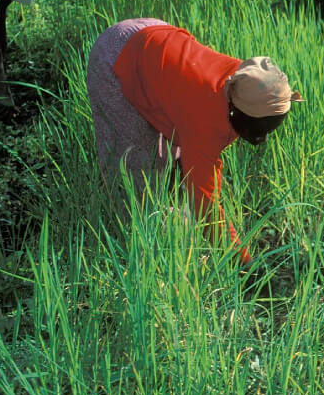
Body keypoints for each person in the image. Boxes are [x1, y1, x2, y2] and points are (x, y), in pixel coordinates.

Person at [86, 18, 303, 263]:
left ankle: (172, 218)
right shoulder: (206, 114)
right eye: (258, 128)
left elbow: (205, 165)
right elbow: (204, 201)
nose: (262, 138)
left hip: (156, 41)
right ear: (236, 111)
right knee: (135, 173)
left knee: (175, 161)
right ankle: (136, 248)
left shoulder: (247, 83)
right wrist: (241, 261)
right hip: (118, 55)